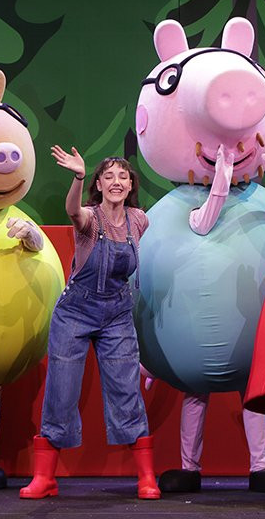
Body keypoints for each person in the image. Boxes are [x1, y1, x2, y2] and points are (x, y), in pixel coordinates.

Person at [19, 148, 160, 499]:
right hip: (75, 312)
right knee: (61, 391)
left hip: (117, 314)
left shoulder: (139, 220)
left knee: (126, 392)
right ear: (99, 184)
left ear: (131, 185)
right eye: (108, 176)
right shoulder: (89, 218)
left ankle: (146, 478)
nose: (116, 182)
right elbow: (72, 210)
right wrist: (78, 178)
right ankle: (45, 479)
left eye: (123, 176)